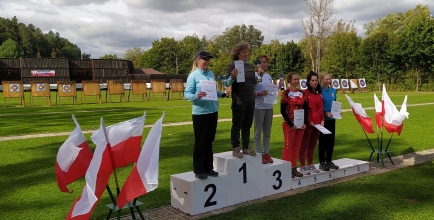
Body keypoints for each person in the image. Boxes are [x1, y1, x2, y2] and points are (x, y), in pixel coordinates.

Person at [184, 50, 226, 180]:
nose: (207, 62)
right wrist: (197, 95)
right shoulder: (193, 76)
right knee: (201, 142)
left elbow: (212, 90)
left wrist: (221, 94)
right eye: (204, 59)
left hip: (213, 111)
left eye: (208, 60)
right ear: (198, 60)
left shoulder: (211, 74)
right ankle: (199, 169)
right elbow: (186, 95)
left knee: (209, 141)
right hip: (200, 114)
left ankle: (209, 167)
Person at [224, 42, 257, 158]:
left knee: (247, 124)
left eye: (247, 52)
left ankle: (246, 147)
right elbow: (226, 83)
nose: (246, 54)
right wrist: (232, 77)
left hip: (250, 98)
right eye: (243, 52)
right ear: (237, 53)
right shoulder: (232, 66)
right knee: (237, 124)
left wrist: (259, 76)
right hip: (239, 99)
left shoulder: (250, 66)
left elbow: (254, 82)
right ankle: (235, 147)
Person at [281, 72, 308, 178]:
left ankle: (293, 168)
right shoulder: (286, 93)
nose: (296, 81)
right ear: (289, 81)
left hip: (300, 125)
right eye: (294, 79)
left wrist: (304, 123)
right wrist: (291, 124)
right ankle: (285, 169)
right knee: (288, 147)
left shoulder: (302, 93)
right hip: (289, 124)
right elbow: (283, 111)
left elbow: (305, 109)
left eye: (298, 79)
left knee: (296, 147)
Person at [298, 71, 324, 175]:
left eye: (316, 80)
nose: (315, 82)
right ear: (308, 81)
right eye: (312, 80)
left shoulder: (319, 94)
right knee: (304, 144)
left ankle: (310, 164)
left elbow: (321, 109)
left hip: (317, 124)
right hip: (308, 123)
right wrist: (309, 121)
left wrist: (322, 120)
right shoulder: (304, 93)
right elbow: (303, 110)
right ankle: (302, 166)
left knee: (312, 145)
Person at [253, 54, 273, 164]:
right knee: (257, 133)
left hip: (269, 106)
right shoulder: (253, 75)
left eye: (266, 62)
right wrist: (259, 93)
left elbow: (271, 90)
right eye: (263, 62)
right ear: (258, 63)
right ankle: (259, 154)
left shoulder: (269, 76)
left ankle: (266, 152)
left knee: (267, 132)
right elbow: (250, 91)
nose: (265, 64)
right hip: (258, 107)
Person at [318, 73, 339, 171]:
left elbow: (335, 104)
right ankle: (322, 162)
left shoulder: (333, 91)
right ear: (322, 80)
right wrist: (325, 113)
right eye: (326, 79)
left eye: (329, 79)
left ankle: (329, 161)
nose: (328, 81)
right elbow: (318, 107)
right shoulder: (319, 91)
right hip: (323, 120)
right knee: (323, 142)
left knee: (331, 141)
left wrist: (338, 112)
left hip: (332, 120)